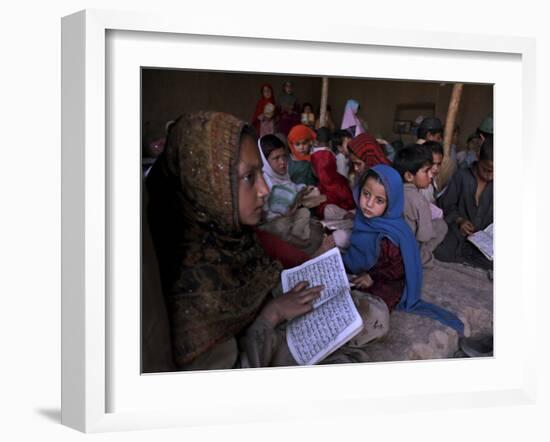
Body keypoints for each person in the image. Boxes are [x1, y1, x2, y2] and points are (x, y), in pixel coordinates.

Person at [146, 111, 387, 370]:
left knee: (369, 311)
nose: (265, 190)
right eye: (249, 177)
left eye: (261, 173)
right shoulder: (193, 289)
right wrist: (274, 313)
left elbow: (268, 271)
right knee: (366, 327)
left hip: (270, 318)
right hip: (261, 342)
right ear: (207, 184)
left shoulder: (231, 234)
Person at [342, 164, 464, 334]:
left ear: (391, 203)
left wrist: (372, 276)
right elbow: (357, 249)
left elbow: (397, 269)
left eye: (379, 200)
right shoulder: (364, 219)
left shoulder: (393, 235)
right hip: (366, 272)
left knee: (370, 305)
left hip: (388, 279)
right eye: (366, 194)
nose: (369, 204)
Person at [255, 134, 332, 265]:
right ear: (265, 161)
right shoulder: (262, 182)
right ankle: (310, 257)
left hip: (291, 218)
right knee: (294, 232)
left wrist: (303, 190)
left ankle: (311, 250)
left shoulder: (283, 173)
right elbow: (265, 215)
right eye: (276, 158)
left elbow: (290, 186)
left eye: (284, 156)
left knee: (310, 221)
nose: (282, 162)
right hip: (275, 226)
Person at [435, 136, 494, 270]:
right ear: (478, 157)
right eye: (487, 170)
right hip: (458, 234)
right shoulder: (461, 176)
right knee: (440, 251)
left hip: (485, 241)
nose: (491, 176)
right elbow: (447, 204)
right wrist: (459, 220)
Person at [393, 144, 448, 268]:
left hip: (390, 245)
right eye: (426, 171)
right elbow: (424, 235)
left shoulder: (393, 190)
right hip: (407, 248)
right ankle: (421, 257)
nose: (430, 175)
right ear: (409, 176)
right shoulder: (419, 201)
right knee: (441, 225)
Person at [310, 127, 356, 249]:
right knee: (329, 210)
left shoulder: (340, 183)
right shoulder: (338, 183)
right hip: (340, 216)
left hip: (351, 219)